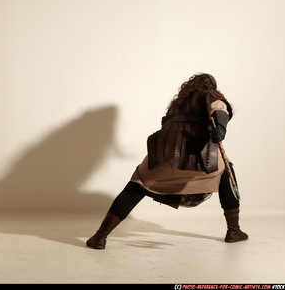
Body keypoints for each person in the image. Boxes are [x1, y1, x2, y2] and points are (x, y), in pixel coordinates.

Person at [86, 73, 248, 249]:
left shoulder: (176, 105)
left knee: (137, 184)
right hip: (200, 159)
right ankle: (234, 231)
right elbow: (219, 108)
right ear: (211, 87)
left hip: (164, 157)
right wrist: (221, 128)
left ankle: (100, 236)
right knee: (227, 173)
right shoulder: (211, 95)